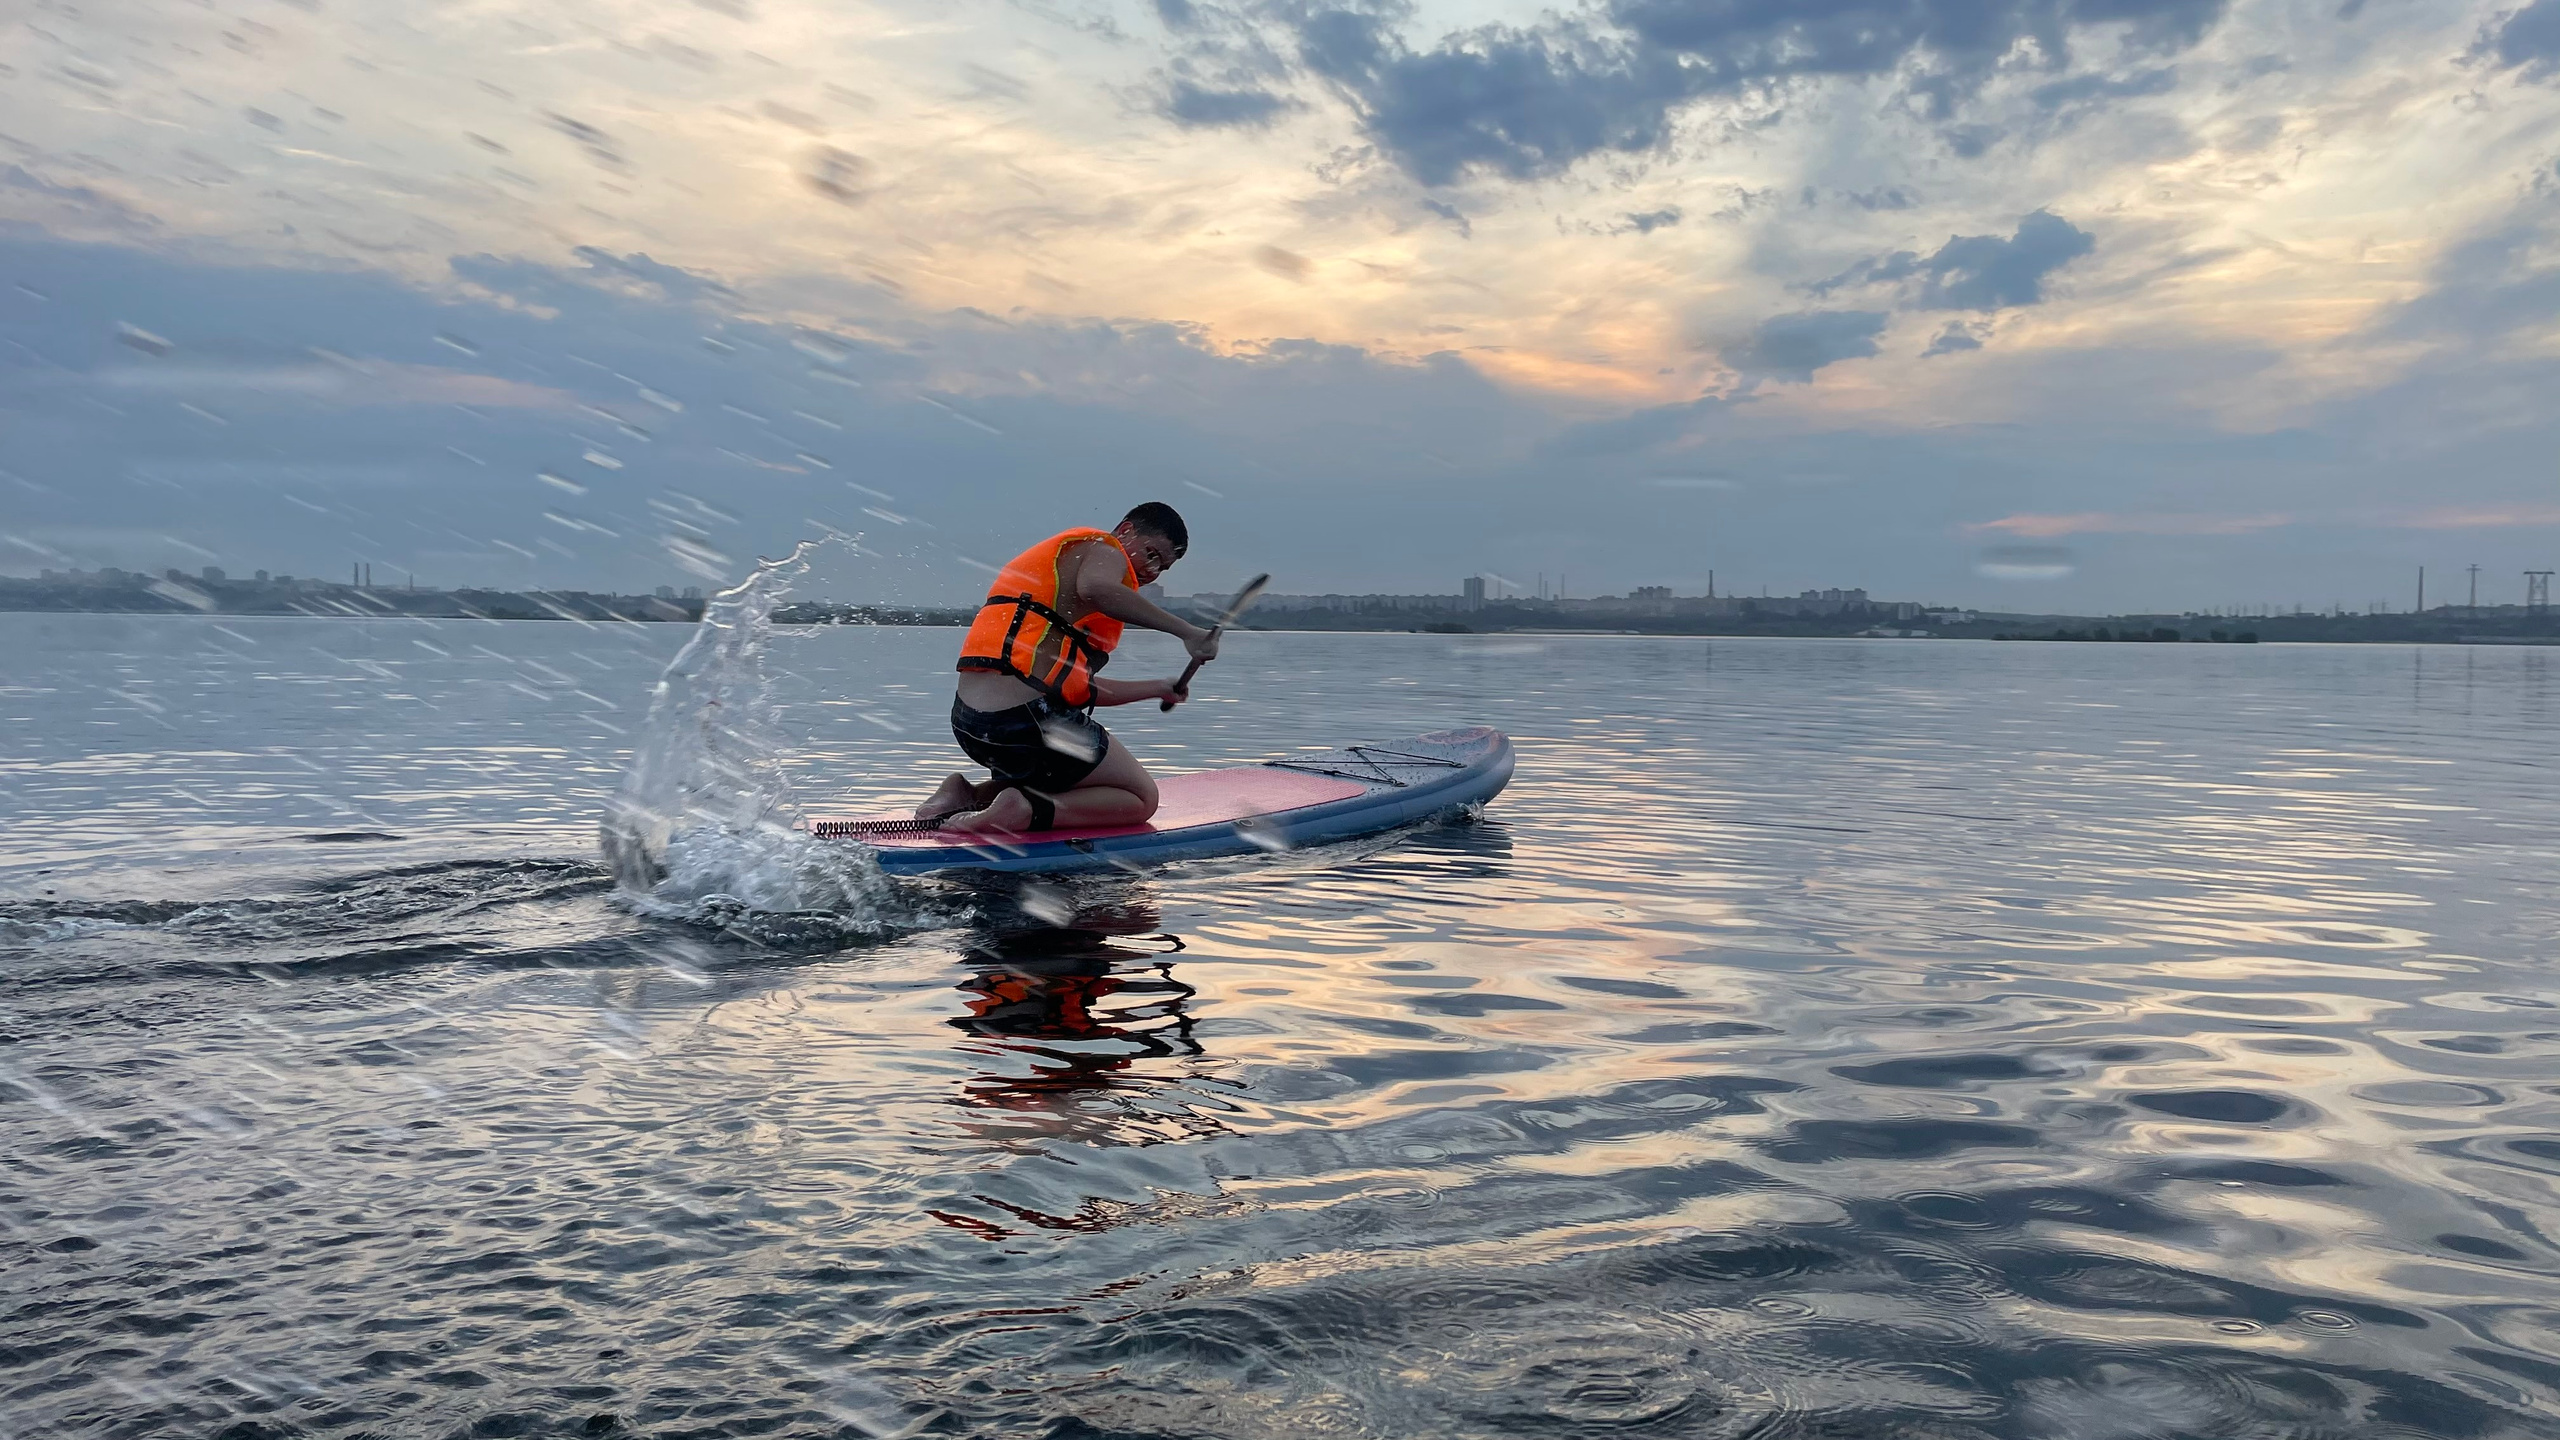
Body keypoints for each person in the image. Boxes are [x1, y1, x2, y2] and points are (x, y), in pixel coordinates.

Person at [917, 502, 1219, 834]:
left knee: (1066, 777)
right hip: (1026, 720)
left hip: (972, 724)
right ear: (1127, 531)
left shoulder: (1061, 587)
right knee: (1139, 798)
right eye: (1150, 554)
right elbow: (1097, 589)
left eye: (1163, 567)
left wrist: (1157, 687)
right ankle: (1021, 812)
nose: (1151, 570)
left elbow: (1076, 690)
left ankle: (966, 794)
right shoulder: (1105, 548)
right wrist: (1187, 632)